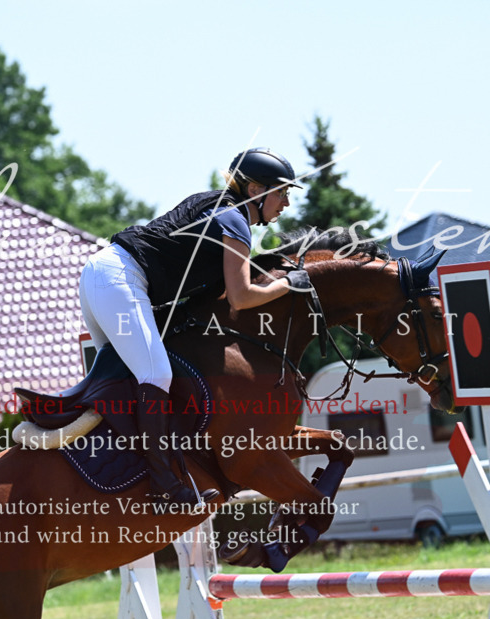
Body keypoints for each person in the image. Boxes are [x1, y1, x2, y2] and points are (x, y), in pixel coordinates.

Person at [78, 148, 314, 513]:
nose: (285, 202)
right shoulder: (234, 220)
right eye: (281, 192)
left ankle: (129, 471)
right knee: (155, 374)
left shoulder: (217, 207)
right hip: (119, 280)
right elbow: (241, 297)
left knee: (126, 381)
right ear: (255, 190)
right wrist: (291, 284)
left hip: (104, 275)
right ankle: (163, 487)